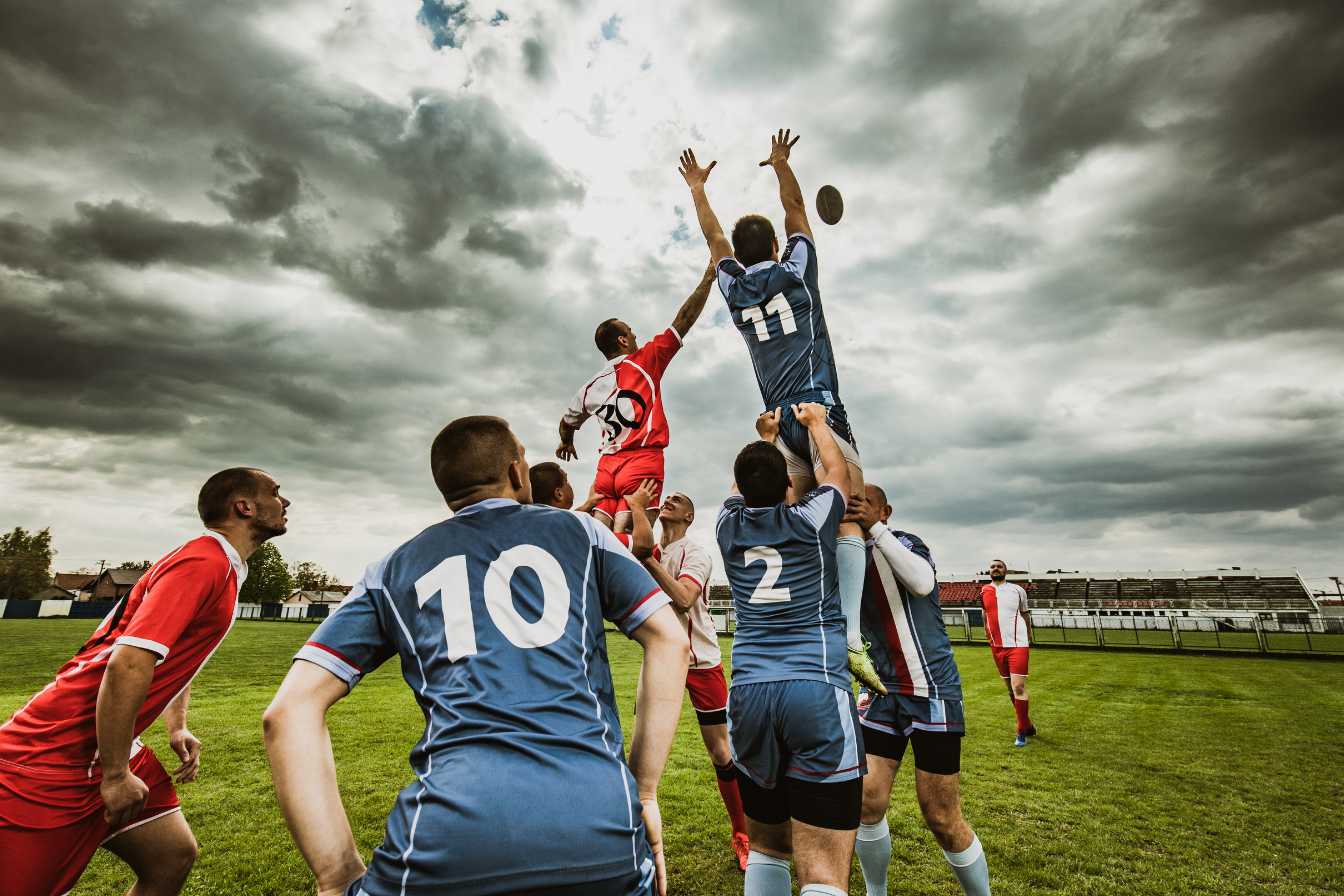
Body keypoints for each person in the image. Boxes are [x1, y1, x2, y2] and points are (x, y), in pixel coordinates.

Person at [264, 415, 689, 896]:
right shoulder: (583, 534)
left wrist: (335, 874)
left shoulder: (391, 568)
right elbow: (669, 640)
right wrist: (645, 791)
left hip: (447, 837)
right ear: (515, 472)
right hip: (601, 823)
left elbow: (288, 712)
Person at [0, 467, 290, 896]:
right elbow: (129, 662)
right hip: (55, 754)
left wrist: (177, 724)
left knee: (170, 855)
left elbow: (167, 654)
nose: (285, 502)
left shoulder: (221, 565)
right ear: (243, 507)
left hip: (108, 745)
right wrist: (116, 774)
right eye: (275, 493)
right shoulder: (204, 561)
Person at [680, 130, 881, 696]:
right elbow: (796, 210)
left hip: (776, 421)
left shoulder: (733, 286)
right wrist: (781, 165)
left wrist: (698, 189)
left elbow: (713, 237)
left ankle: (801, 624)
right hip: (819, 410)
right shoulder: (795, 269)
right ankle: (846, 640)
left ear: (738, 257)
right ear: (772, 248)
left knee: (792, 513)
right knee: (848, 514)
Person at [716, 402, 862, 896]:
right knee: (822, 864)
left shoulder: (726, 526)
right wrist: (817, 425)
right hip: (814, 687)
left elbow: (743, 485)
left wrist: (765, 436)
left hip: (750, 693)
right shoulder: (809, 519)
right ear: (787, 488)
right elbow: (837, 475)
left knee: (768, 847)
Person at [847, 486, 992, 896]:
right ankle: (878, 892)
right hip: (882, 693)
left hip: (931, 691)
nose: (855, 506)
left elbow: (923, 582)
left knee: (941, 815)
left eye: (866, 502)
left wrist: (875, 529)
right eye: (849, 501)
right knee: (866, 802)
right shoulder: (845, 555)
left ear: (886, 511)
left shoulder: (905, 543)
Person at [627, 487, 752, 871]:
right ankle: (634, 836)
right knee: (641, 754)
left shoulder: (695, 553)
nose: (670, 501)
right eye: (669, 499)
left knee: (721, 752)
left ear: (689, 517)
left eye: (679, 501)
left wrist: (648, 562)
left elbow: (683, 598)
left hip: (700, 662)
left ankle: (742, 833)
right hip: (662, 660)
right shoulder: (643, 546)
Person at [557, 263, 715, 533]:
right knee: (629, 545)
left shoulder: (588, 388)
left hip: (606, 470)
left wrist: (566, 442)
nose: (635, 335)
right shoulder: (645, 361)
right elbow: (684, 319)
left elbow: (566, 422)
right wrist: (708, 278)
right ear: (622, 340)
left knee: (602, 541)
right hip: (642, 461)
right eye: (630, 331)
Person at [981, 559, 1036, 747]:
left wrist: (1028, 635)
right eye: (992, 566)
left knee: (1018, 687)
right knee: (1009, 689)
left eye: (999, 566)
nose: (995, 568)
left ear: (1005, 571)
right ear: (989, 571)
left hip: (1017, 645)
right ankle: (1027, 724)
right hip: (997, 646)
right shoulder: (983, 591)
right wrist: (987, 634)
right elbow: (984, 614)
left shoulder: (1017, 590)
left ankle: (1020, 732)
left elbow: (1025, 613)